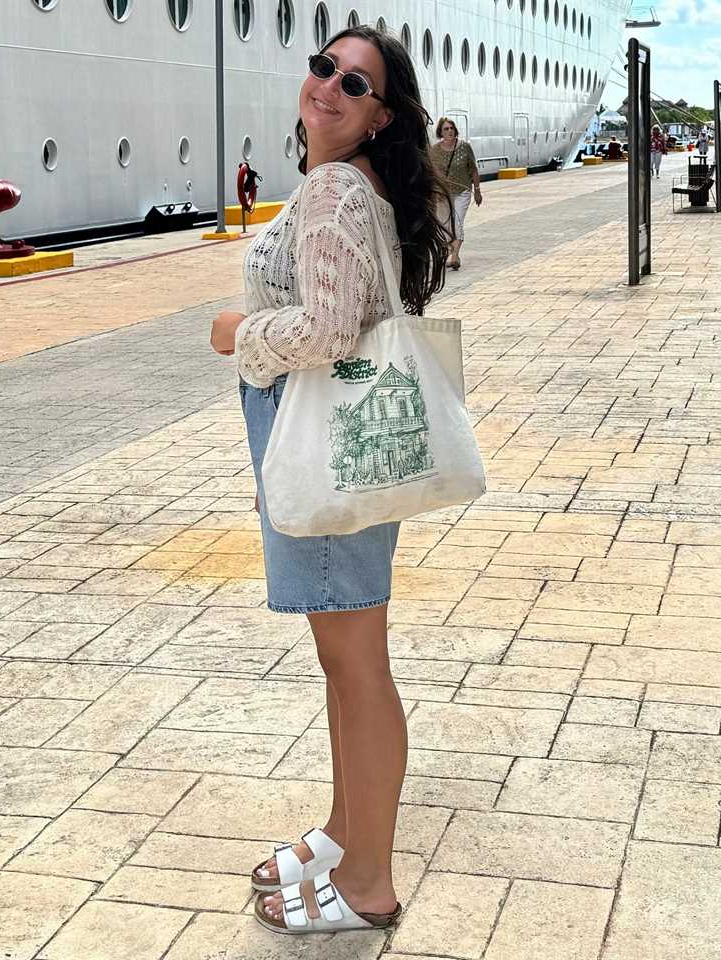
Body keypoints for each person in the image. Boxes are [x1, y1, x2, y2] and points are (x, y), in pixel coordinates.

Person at [209, 24, 451, 936]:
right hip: (328, 446)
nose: (329, 87)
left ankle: (370, 884)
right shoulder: (345, 186)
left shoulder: (337, 191)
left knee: (356, 667)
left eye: (355, 83)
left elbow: (329, 333)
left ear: (380, 114)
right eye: (323, 68)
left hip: (324, 443)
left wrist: (238, 334)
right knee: (344, 661)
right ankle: (349, 837)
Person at [430, 116, 482, 270]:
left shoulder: (464, 147)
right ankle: (450, 251)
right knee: (445, 224)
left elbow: (473, 169)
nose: (450, 131)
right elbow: (431, 173)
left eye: (452, 128)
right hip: (442, 194)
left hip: (462, 191)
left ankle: (455, 256)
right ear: (441, 132)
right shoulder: (435, 151)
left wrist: (477, 190)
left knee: (457, 222)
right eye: (446, 129)